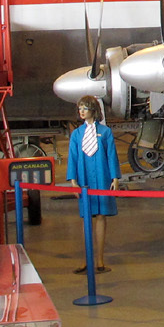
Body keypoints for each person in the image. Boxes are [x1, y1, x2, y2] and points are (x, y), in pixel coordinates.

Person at [66, 95, 120, 273]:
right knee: (86, 217)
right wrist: (73, 181)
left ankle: (100, 260)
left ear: (93, 110)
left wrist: (115, 178)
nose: (81, 111)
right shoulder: (77, 134)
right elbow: (73, 158)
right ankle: (86, 259)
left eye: (85, 108)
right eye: (80, 108)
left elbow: (112, 155)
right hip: (84, 179)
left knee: (101, 216)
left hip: (102, 177)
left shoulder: (105, 132)